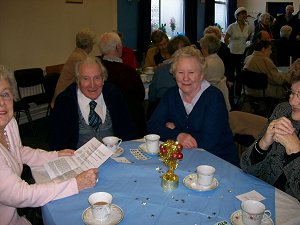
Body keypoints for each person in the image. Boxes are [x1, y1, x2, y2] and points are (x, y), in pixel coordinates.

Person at [0, 65, 98, 225]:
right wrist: (76, 183)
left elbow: (18, 152)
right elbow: (21, 194)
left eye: (5, 94)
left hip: (14, 216)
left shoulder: (9, 123)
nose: (1, 103)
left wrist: (56, 155)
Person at [147, 46, 239, 166]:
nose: (185, 78)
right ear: (174, 74)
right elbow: (152, 126)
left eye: (191, 72)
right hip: (187, 160)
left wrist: (174, 130)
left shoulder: (214, 98)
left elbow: (207, 142)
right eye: (180, 72)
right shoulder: (171, 95)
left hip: (219, 162)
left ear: (201, 75)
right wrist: (178, 136)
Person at [50, 56, 138, 150]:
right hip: (79, 161)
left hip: (114, 157)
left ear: (103, 79)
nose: (92, 85)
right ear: (78, 81)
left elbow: (129, 132)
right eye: (85, 79)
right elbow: (57, 144)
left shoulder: (114, 95)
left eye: (97, 78)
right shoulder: (65, 102)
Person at [240, 69, 300, 202]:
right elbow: (246, 166)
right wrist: (263, 144)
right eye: (292, 93)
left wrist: (296, 152)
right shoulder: (283, 111)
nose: (292, 102)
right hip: (261, 195)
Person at [97, 32, 146, 137]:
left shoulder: (96, 71)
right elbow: (140, 97)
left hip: (101, 124)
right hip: (128, 126)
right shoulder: (129, 73)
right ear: (118, 48)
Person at [147, 35, 191, 119]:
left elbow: (152, 95)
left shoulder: (160, 70)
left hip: (164, 113)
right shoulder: (195, 69)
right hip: (186, 113)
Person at [51, 28, 95, 107]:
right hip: (64, 99)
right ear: (89, 44)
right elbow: (83, 83)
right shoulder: (79, 58)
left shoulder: (78, 54)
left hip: (68, 94)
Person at [224, 7, 252, 102]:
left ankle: (238, 94)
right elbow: (226, 39)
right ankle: (230, 95)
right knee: (231, 75)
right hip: (232, 53)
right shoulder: (232, 26)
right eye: (242, 14)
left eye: (245, 14)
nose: (244, 15)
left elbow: (247, 38)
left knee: (240, 74)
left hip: (242, 53)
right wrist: (228, 49)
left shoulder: (248, 27)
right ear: (237, 16)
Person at [203, 26, 235, 107]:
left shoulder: (224, 49)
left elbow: (230, 65)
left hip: (222, 79)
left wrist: (230, 79)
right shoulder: (211, 56)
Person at [199, 34, 231, 111]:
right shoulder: (219, 60)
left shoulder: (206, 64)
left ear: (205, 49)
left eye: (202, 47)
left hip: (209, 97)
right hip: (219, 93)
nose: (201, 49)